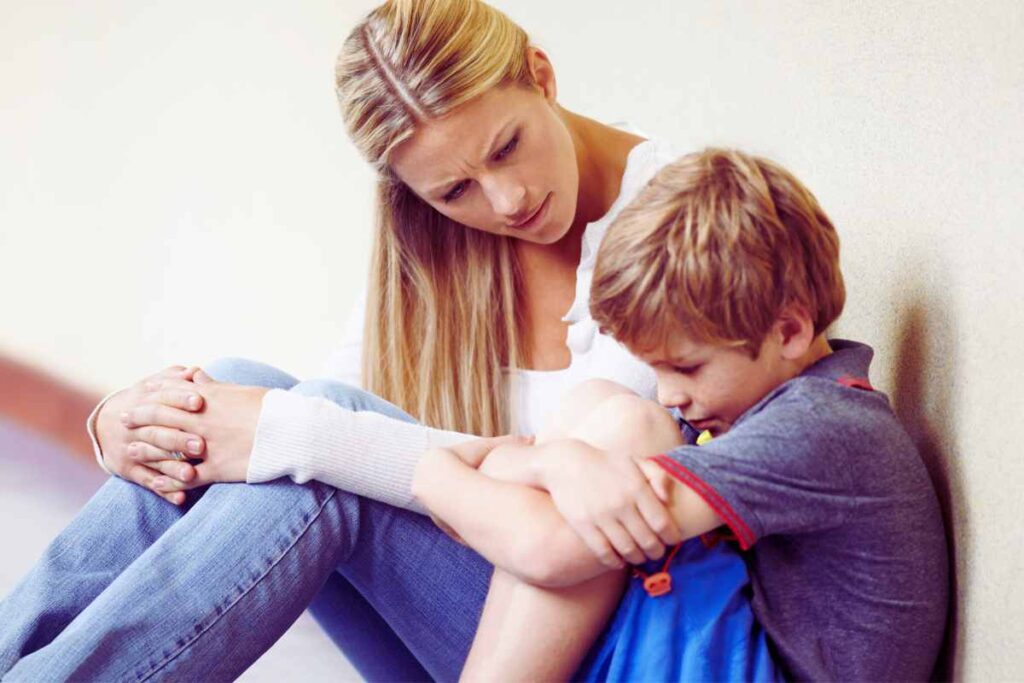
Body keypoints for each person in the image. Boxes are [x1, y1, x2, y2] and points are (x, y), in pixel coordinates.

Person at [0, 0, 713, 680]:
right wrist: (116, 424)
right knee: (240, 386)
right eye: (454, 190)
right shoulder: (444, 248)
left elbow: (554, 521)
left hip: (591, 645)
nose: (507, 201)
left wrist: (318, 437)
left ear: (541, 75)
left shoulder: (684, 221)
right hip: (465, 620)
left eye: (507, 147)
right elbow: (326, 411)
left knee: (317, 459)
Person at [422, 148, 948, 680]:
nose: (670, 394)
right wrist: (553, 464)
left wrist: (434, 473)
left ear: (788, 331)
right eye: (657, 370)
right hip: (724, 658)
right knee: (599, 403)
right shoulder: (784, 408)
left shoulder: (823, 428)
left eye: (688, 368)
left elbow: (548, 552)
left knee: (633, 427)